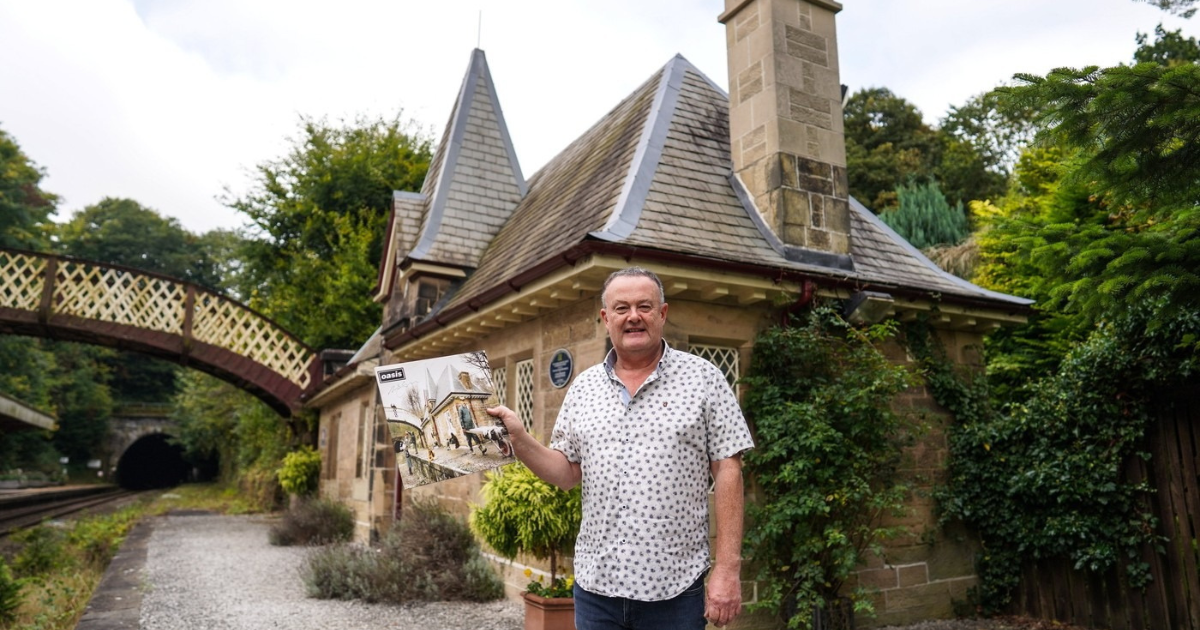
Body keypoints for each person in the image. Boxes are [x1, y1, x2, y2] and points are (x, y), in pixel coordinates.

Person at [488, 267, 753, 629]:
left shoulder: (704, 378)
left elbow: (728, 470)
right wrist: (519, 439)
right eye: (621, 308)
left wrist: (726, 569)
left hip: (674, 592)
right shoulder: (583, 388)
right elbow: (566, 474)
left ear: (662, 314)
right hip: (597, 591)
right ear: (605, 318)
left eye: (644, 306)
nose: (633, 317)